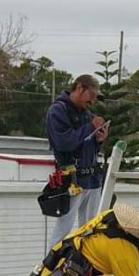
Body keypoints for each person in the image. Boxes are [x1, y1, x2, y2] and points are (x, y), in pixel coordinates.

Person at [45, 74, 108, 238]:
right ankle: (51, 263)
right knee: (63, 228)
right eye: (91, 96)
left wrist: (99, 140)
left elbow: (87, 146)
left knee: (90, 229)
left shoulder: (86, 115)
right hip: (71, 180)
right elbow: (63, 143)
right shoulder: (58, 111)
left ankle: (85, 262)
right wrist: (90, 128)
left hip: (92, 179)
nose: (92, 101)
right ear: (80, 88)